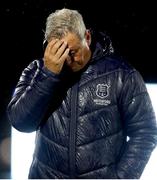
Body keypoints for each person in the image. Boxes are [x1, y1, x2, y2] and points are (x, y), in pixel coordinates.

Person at [7, 8, 157, 179]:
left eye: (72, 52)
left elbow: (146, 133)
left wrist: (121, 178)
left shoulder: (122, 75)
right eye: (59, 52)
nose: (68, 61)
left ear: (87, 37)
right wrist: (48, 75)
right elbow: (21, 123)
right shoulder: (36, 72)